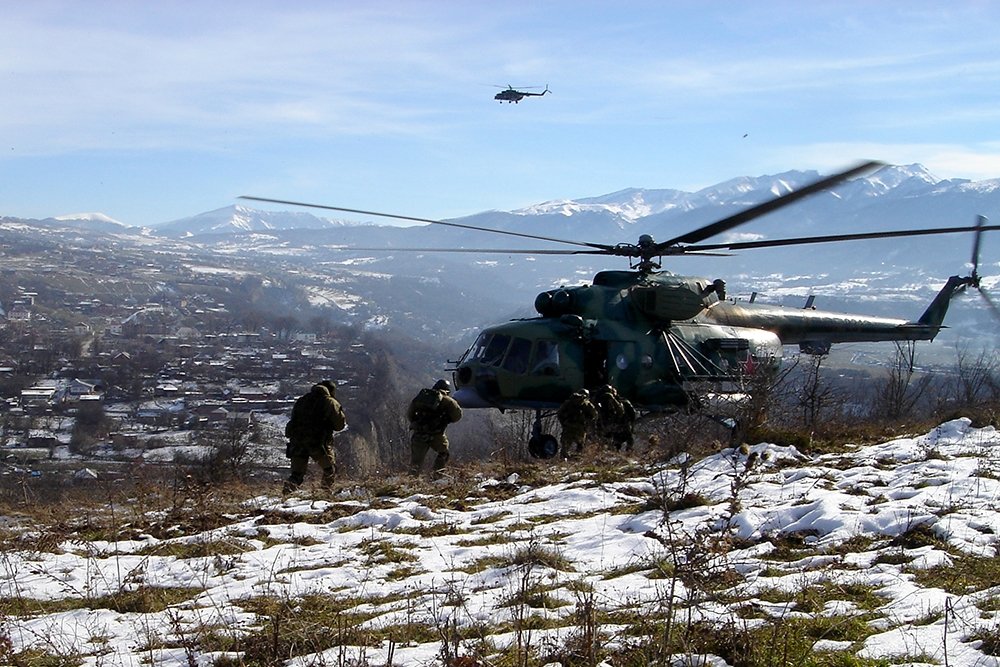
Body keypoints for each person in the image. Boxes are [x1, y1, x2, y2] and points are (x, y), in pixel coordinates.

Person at [283, 380, 347, 493]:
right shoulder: (330, 402)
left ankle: (287, 493)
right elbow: (339, 425)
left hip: (297, 442)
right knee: (329, 469)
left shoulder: (302, 400)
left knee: (296, 474)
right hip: (318, 443)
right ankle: (324, 494)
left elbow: (293, 420)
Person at [407, 379, 463, 477]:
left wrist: (417, 423)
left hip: (419, 433)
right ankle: (437, 476)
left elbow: (410, 413)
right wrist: (446, 420)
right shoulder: (449, 401)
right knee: (443, 453)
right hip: (437, 434)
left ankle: (411, 480)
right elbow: (457, 416)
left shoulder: (423, 397)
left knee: (416, 461)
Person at [557, 388, 597, 457]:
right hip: (580, 428)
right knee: (580, 447)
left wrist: (563, 423)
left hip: (568, 427)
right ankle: (577, 460)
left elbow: (560, 413)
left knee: (565, 448)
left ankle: (563, 460)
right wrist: (588, 422)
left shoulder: (569, 402)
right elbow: (594, 414)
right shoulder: (586, 403)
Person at [593, 384, 635, 451]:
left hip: (609, 426)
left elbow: (596, 415)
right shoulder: (622, 402)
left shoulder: (599, 402)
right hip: (622, 424)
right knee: (628, 437)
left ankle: (614, 450)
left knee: (613, 441)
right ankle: (628, 451)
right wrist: (632, 423)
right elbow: (632, 413)